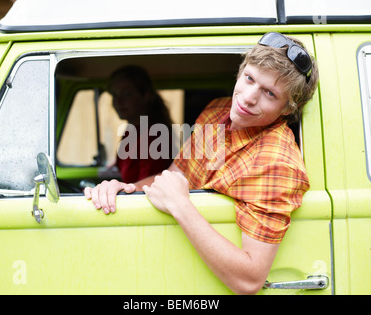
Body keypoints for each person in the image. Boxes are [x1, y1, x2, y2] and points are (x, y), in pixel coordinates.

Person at [84, 32, 319, 294]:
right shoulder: (217, 111)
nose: (248, 97)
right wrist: (124, 190)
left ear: (287, 108)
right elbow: (175, 175)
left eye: (269, 94)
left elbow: (250, 280)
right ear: (241, 72)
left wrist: (180, 205)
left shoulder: (278, 162)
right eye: (249, 78)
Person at [108, 65, 174, 183]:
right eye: (114, 95)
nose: (118, 101)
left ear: (146, 96)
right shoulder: (131, 131)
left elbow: (149, 185)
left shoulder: (155, 135)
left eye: (127, 94)